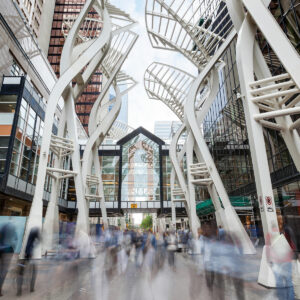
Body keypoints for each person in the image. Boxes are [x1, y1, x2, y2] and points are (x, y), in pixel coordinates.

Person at [17, 227, 41, 296]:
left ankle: (19, 290)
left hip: (25, 254)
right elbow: (38, 240)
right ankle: (32, 288)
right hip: (28, 254)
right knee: (34, 271)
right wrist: (31, 250)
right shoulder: (35, 232)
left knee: (21, 270)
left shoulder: (30, 233)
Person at [0, 221, 17, 296]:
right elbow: (15, 240)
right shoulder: (13, 229)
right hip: (8, 251)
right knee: (4, 270)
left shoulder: (3, 227)